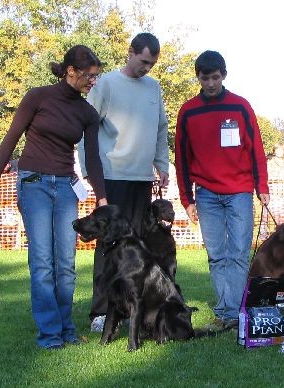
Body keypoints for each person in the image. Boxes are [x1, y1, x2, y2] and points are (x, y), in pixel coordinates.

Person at [0, 45, 107, 350]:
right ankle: (50, 334)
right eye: (89, 76)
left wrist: (102, 199)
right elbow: (11, 136)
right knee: (42, 263)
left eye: (96, 76)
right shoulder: (37, 97)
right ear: (71, 72)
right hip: (34, 183)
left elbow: (93, 160)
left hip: (66, 187)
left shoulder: (87, 113)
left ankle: (66, 328)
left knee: (65, 263)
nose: (93, 82)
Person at [77, 32, 170, 332]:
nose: (147, 68)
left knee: (136, 249)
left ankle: (134, 310)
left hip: (142, 179)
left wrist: (161, 164)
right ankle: (101, 313)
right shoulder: (105, 84)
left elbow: (160, 130)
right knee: (107, 246)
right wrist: (87, 169)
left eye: (152, 64)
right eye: (144, 61)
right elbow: (86, 127)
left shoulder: (154, 88)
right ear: (130, 52)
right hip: (112, 176)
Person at [175, 50, 270, 330]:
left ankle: (234, 311)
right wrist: (186, 198)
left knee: (238, 253)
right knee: (216, 254)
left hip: (240, 191)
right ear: (199, 78)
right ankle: (227, 312)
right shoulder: (188, 111)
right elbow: (182, 157)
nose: (211, 83)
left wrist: (261, 186)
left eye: (215, 78)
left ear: (224, 75)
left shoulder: (241, 107)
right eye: (205, 78)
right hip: (205, 193)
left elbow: (257, 151)